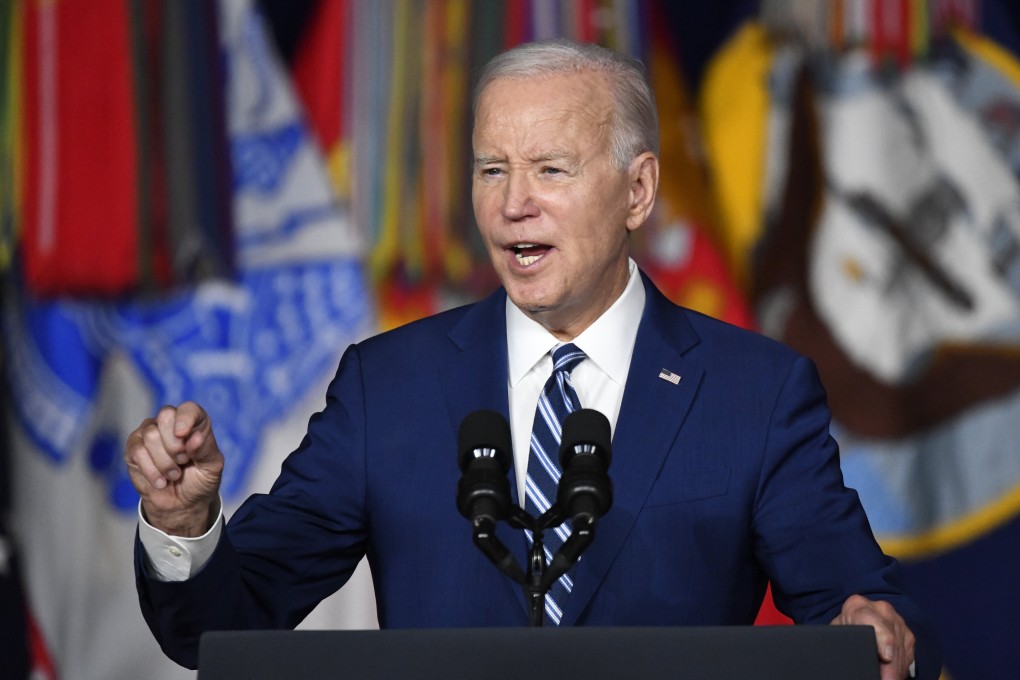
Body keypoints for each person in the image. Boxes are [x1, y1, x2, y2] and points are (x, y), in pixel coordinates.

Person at [126, 38, 939, 679]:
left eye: (551, 169)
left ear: (638, 191)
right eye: (492, 169)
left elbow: (860, 611)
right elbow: (221, 630)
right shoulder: (390, 388)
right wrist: (183, 525)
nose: (515, 203)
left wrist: (875, 631)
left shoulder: (753, 391)